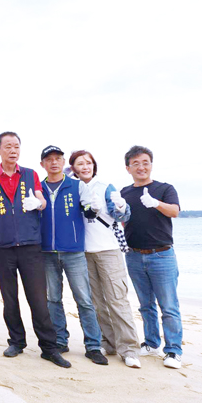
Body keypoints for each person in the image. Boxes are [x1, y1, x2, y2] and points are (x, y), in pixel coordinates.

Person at [0, 132, 71, 368]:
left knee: (38, 299)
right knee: (9, 298)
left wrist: (38, 204)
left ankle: (49, 347)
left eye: (16, 146)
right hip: (3, 248)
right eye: (8, 146)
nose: (13, 150)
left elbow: (41, 201)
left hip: (30, 246)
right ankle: (16, 341)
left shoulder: (30, 175)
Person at [70, 150, 141, 368]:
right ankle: (107, 342)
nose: (85, 166)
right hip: (83, 252)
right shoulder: (73, 188)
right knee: (96, 301)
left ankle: (129, 349)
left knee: (117, 299)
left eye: (88, 163)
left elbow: (121, 215)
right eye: (80, 163)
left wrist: (121, 207)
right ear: (73, 168)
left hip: (108, 249)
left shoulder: (105, 186)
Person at [39, 146, 108, 365]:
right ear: (42, 164)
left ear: (64, 163)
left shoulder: (76, 186)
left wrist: (93, 209)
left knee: (84, 299)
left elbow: (88, 209)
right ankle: (60, 340)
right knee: (52, 299)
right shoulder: (37, 188)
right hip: (47, 252)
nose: (53, 163)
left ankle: (93, 345)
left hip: (74, 251)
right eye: (48, 160)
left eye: (57, 159)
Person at [121, 145, 183, 369]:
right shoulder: (124, 193)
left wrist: (156, 203)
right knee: (145, 305)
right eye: (135, 163)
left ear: (151, 165)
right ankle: (151, 343)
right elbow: (121, 221)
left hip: (162, 255)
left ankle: (174, 350)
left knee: (168, 306)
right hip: (134, 255)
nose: (141, 167)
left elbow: (174, 211)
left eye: (145, 162)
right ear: (128, 168)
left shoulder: (165, 189)